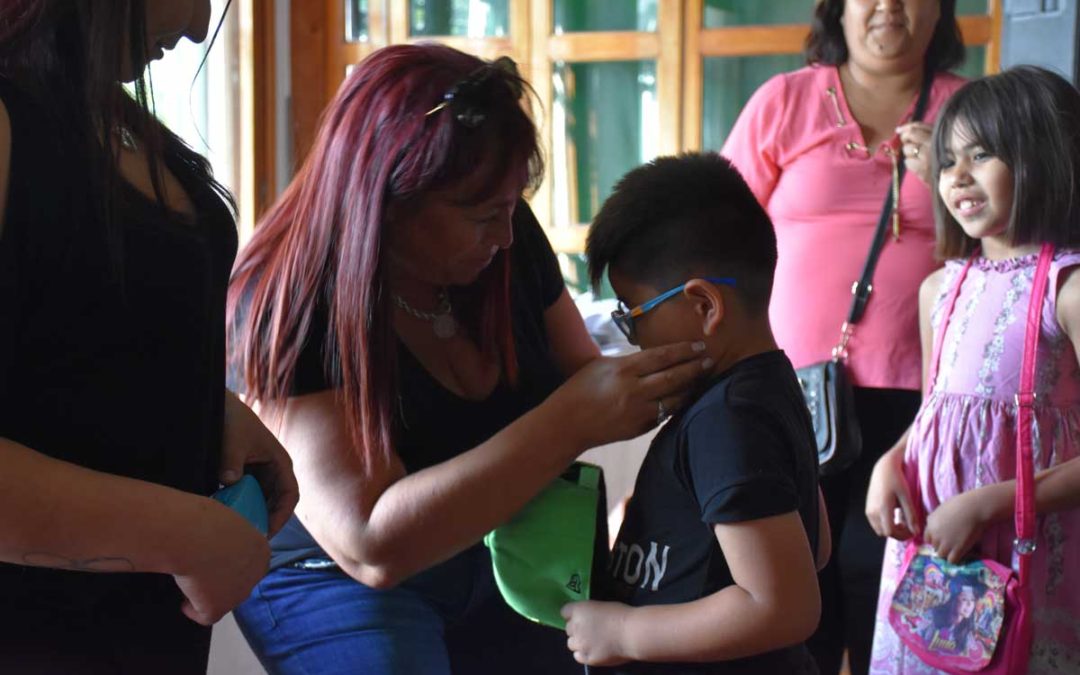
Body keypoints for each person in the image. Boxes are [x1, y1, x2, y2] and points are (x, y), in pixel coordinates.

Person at [226, 43, 711, 675]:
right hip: (333, 575)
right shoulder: (288, 297)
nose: (507, 236)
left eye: (513, 207)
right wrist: (570, 421)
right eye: (484, 215)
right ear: (391, 200)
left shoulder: (503, 240)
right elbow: (370, 546)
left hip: (506, 538)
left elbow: (583, 376)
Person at [0, 0, 298, 672]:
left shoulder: (106, 115)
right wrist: (179, 536)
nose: (198, 28)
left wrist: (208, 404)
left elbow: (69, 335)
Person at [720, 2, 968, 672]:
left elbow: (1015, 243)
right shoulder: (785, 101)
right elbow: (718, 226)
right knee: (796, 592)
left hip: (926, 404)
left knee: (893, 586)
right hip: (789, 392)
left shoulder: (971, 113)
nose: (887, 5)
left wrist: (943, 180)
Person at [560, 153, 828, 674]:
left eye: (631, 313)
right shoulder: (763, 387)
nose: (630, 336)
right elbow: (810, 550)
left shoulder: (726, 418)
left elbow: (785, 607)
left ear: (704, 306)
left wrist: (622, 630)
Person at [866, 65, 1080, 673]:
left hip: (1029, 557)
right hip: (936, 562)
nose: (955, 177)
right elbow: (934, 412)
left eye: (981, 155)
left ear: (1043, 156)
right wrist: (891, 460)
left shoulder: (1068, 289)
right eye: (948, 160)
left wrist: (992, 504)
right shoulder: (941, 289)